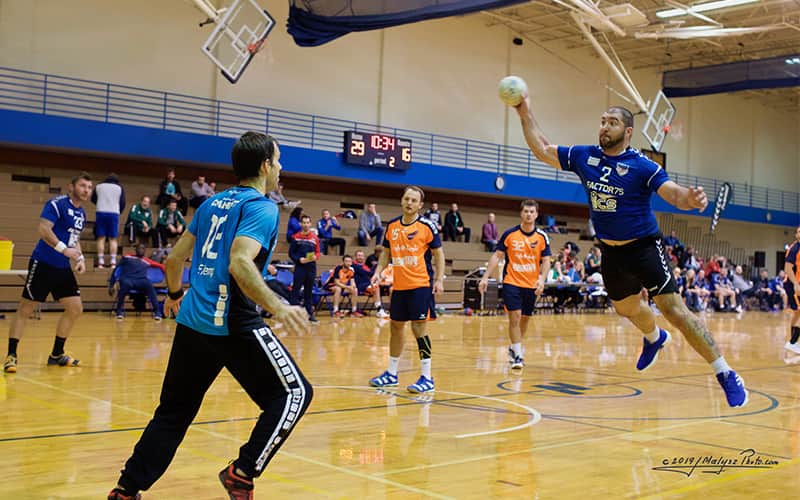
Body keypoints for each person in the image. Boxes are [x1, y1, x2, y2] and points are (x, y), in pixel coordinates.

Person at [108, 132, 312, 500]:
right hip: (232, 319)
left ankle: (126, 489)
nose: (281, 168)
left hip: (192, 321)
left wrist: (173, 295)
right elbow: (239, 262)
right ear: (265, 165)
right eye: (278, 160)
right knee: (295, 393)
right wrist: (278, 305)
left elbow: (173, 260)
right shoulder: (262, 207)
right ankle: (243, 470)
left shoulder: (211, 204)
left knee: (172, 413)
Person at [510, 91, 748, 407]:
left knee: (674, 310)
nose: (605, 127)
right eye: (603, 122)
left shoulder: (642, 166)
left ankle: (725, 372)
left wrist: (690, 200)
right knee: (626, 309)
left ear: (628, 131)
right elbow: (542, 148)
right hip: (611, 252)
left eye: (612, 123)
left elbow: (673, 194)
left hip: (644, 248)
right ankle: (654, 338)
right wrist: (524, 112)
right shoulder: (585, 157)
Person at [4, 172, 91, 374]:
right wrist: (64, 250)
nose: (86, 190)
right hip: (43, 263)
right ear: (71, 187)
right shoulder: (57, 204)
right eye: (83, 185)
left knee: (75, 308)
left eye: (89, 187)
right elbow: (44, 229)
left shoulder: (82, 213)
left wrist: (80, 258)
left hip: (62, 268)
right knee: (26, 309)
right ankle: (11, 355)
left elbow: (74, 238)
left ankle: (56, 355)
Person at [369, 186, 445, 394]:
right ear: (402, 201)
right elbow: (386, 254)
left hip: (421, 285)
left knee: (419, 329)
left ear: (420, 205)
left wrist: (438, 279)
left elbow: (439, 255)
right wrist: (378, 272)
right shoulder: (392, 226)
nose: (409, 203)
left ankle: (427, 377)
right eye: (406, 199)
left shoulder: (427, 226)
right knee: (396, 327)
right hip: (400, 286)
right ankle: (391, 374)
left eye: (414, 200)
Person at [479, 200, 551, 369]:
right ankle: (518, 355)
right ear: (521, 213)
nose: (528, 214)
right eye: (526, 211)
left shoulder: (542, 237)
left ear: (536, 214)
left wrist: (542, 279)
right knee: (515, 316)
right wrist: (485, 277)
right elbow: (497, 256)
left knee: (525, 319)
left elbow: (546, 260)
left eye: (532, 212)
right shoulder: (509, 234)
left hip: (531, 284)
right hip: (512, 281)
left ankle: (514, 346)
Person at [109, 243, 164, 321]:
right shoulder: (127, 257)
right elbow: (116, 269)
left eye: (142, 248)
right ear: (135, 250)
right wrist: (111, 284)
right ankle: (119, 311)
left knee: (149, 285)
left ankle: (157, 312)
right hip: (127, 279)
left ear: (145, 251)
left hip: (141, 280)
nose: (141, 250)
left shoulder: (146, 260)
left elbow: (161, 266)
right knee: (124, 285)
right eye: (139, 248)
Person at [289, 214, 320, 324]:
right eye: (304, 222)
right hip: (300, 267)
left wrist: (316, 257)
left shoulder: (315, 238)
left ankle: (309, 314)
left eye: (308, 222)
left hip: (311, 268)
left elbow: (317, 252)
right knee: (295, 291)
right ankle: (293, 315)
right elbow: (291, 253)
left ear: (310, 224)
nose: (306, 225)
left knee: (308, 291)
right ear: (300, 224)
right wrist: (299, 259)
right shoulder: (295, 237)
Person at [92, 173, 126, 268]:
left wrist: (100, 204)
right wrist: (118, 211)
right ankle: (113, 262)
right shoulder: (119, 188)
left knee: (101, 237)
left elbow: (93, 199)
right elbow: (123, 202)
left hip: (101, 212)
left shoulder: (99, 186)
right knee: (113, 238)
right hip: (114, 213)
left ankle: (100, 262)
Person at [353, 249, 389, 318]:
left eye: (362, 256)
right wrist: (376, 270)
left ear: (364, 257)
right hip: (360, 286)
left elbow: (370, 273)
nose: (360, 257)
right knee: (375, 287)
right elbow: (367, 273)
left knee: (379, 286)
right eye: (359, 255)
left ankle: (381, 309)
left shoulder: (365, 266)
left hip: (368, 285)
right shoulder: (354, 265)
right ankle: (379, 310)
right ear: (355, 257)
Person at [783, 226, 800, 354]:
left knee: (797, 312)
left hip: (796, 283)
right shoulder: (794, 249)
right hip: (792, 283)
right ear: (796, 234)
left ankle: (792, 342)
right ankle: (792, 342)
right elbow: (788, 269)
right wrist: (795, 284)